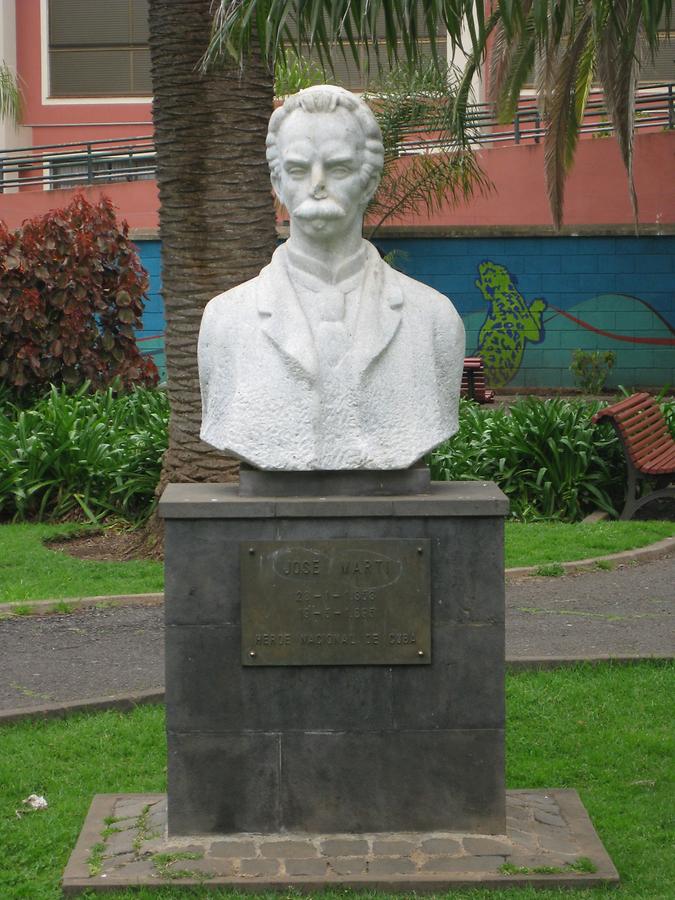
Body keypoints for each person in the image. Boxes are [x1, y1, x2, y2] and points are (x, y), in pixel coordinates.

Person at [198, 85, 464, 470]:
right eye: (298, 169)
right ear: (277, 183)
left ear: (369, 181)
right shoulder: (223, 322)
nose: (317, 183)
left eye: (337, 167)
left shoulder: (435, 320)